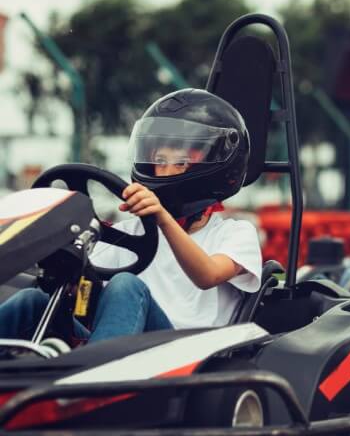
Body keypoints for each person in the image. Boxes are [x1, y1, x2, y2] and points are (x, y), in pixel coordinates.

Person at [0, 89, 262, 344]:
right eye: (160, 160)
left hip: (188, 358)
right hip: (126, 350)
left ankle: (93, 383)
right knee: (32, 301)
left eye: (180, 162)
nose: (165, 171)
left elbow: (208, 275)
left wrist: (161, 217)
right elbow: (86, 281)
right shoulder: (130, 233)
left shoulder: (235, 233)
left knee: (126, 284)